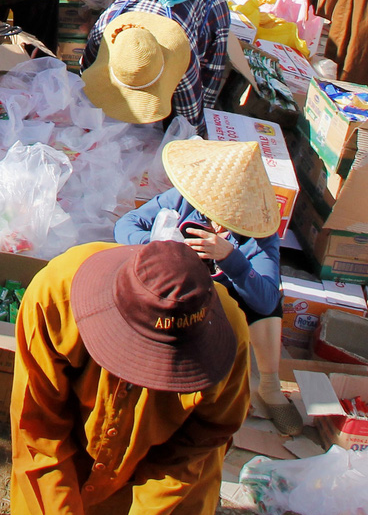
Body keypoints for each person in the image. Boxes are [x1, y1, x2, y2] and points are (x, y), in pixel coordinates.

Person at [10, 240, 250, 515]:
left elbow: (208, 432)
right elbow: (37, 429)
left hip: (173, 476)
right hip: (64, 463)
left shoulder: (228, 336)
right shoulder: (56, 299)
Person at [116, 139, 293, 433]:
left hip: (222, 303)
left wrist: (231, 258)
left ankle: (270, 385)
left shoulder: (259, 236)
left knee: (271, 300)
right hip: (173, 292)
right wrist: (165, 247)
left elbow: (264, 300)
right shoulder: (183, 201)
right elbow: (126, 225)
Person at [81, 0, 231, 125]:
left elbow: (191, 112)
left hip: (199, 1)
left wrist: (197, 133)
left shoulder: (181, 54)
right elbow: (87, 76)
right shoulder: (105, 29)